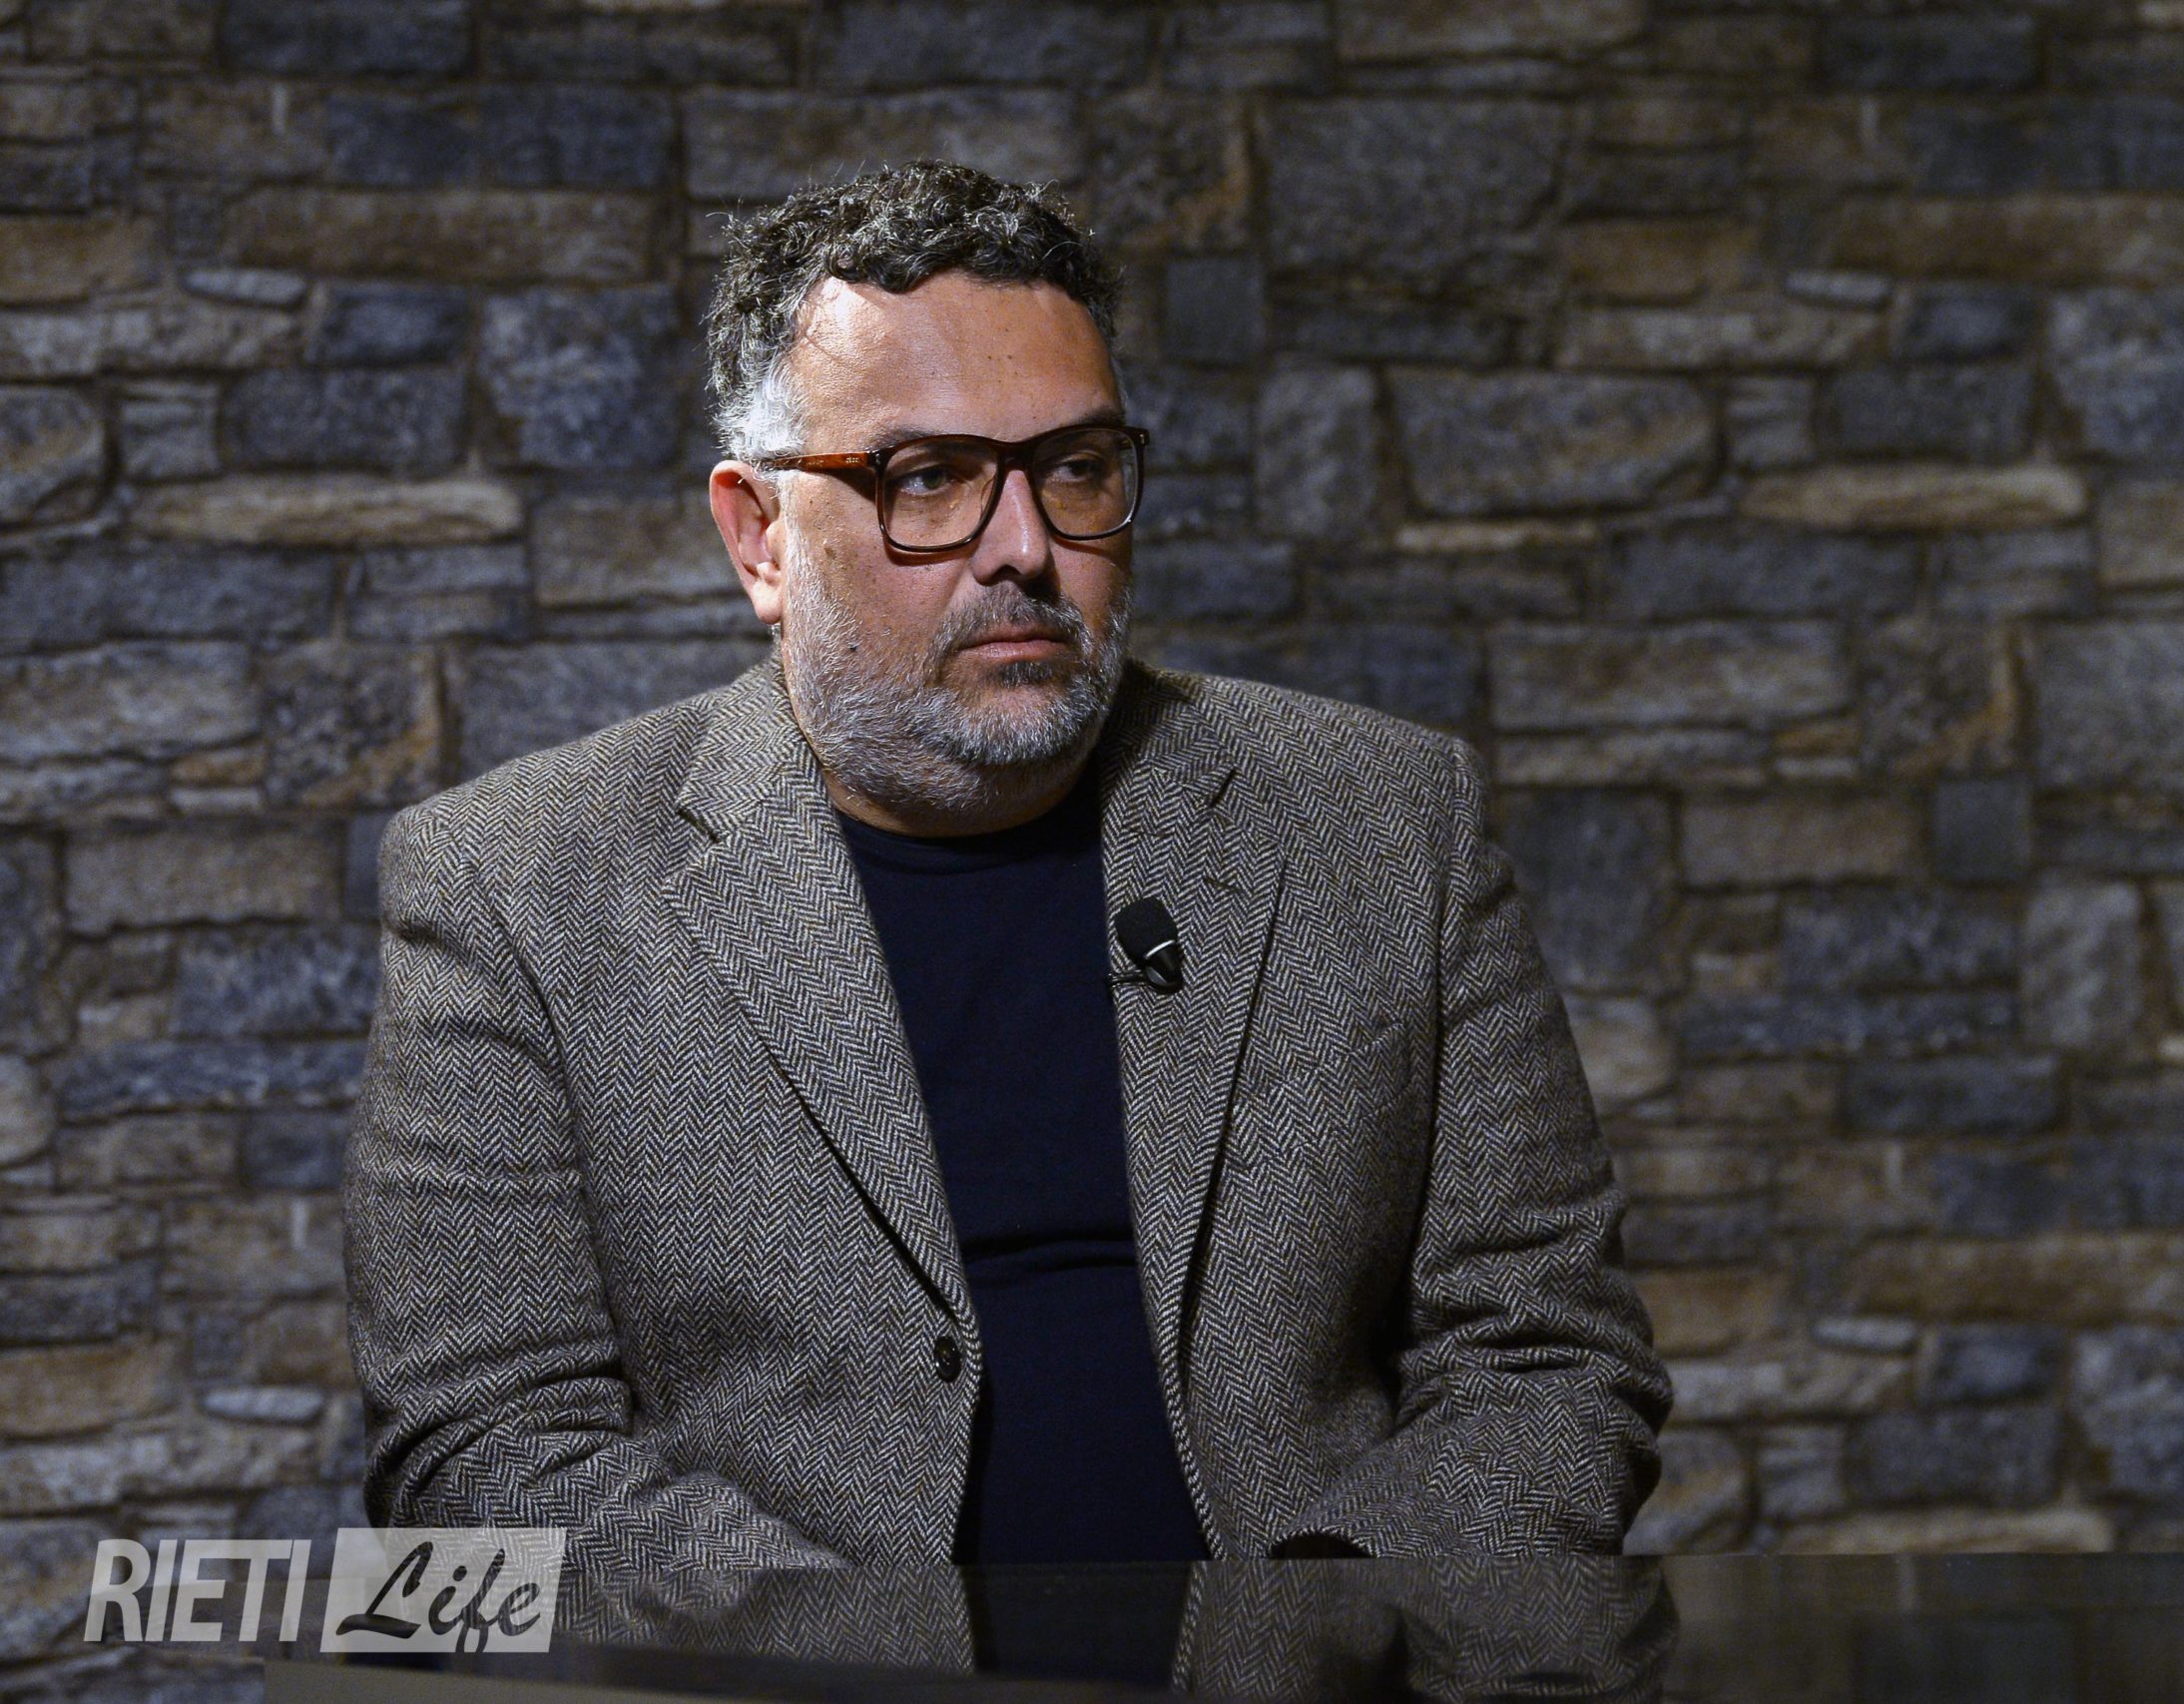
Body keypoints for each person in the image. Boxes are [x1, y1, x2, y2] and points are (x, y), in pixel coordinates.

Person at [342, 159, 1670, 1572]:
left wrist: (1317, 1629)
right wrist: (878, 1658)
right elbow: (483, 1455)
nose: (1025, 550)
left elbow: (1551, 1364)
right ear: (760, 538)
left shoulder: (1387, 823)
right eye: (928, 480)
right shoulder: (513, 888)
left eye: (1077, 469)